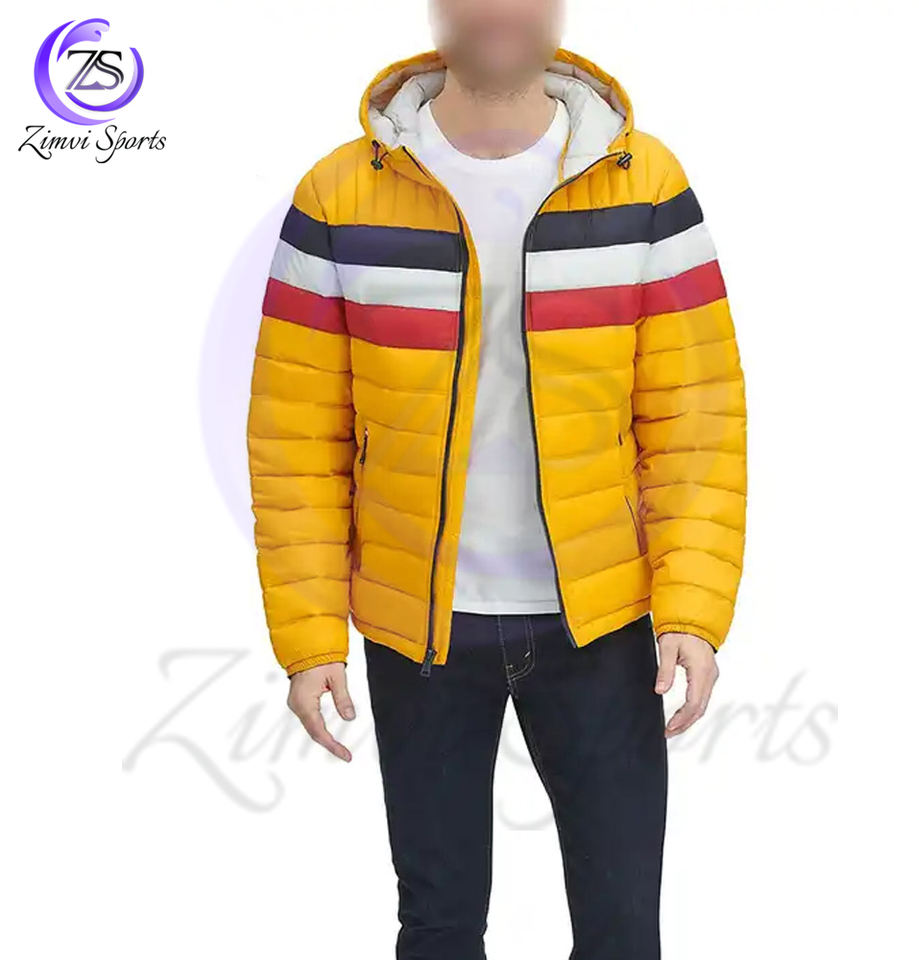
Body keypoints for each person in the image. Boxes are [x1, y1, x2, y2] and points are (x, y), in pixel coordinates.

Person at [246, 0, 747, 955]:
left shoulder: (644, 183)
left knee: (621, 932)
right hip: (418, 627)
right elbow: (295, 434)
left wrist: (692, 609)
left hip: (602, 622)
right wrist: (308, 636)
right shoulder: (339, 196)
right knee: (437, 929)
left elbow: (695, 418)